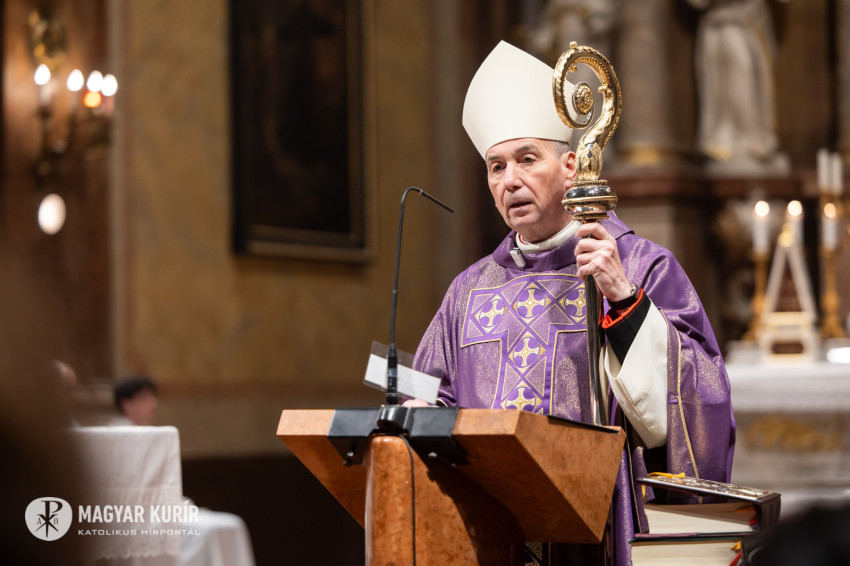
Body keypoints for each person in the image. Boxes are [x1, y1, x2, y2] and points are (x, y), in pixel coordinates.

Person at [405, 41, 735, 565]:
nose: (510, 181)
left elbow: (702, 397)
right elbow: (430, 390)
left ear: (571, 166)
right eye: (496, 167)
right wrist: (416, 412)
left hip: (598, 534)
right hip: (494, 536)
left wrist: (624, 300)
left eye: (526, 160)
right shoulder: (468, 290)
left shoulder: (639, 266)